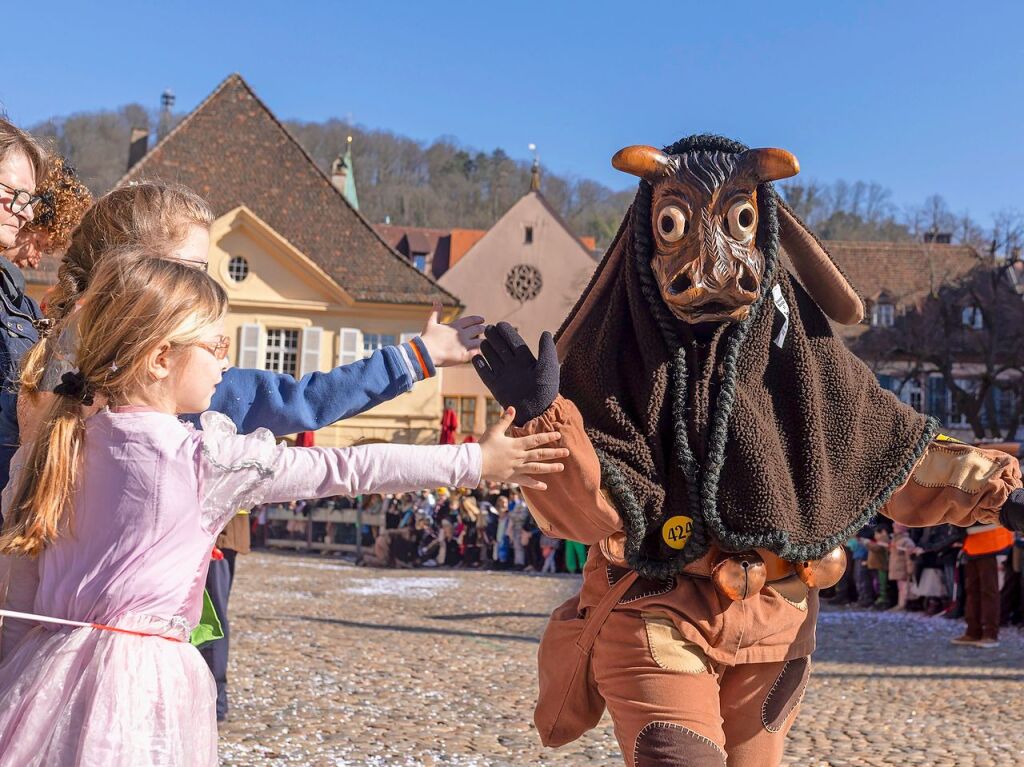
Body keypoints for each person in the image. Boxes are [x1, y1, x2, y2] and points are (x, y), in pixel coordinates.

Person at [0, 255, 567, 766]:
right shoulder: (201, 457)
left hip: (41, 673)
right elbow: (350, 470)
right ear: (159, 359)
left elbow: (19, 591)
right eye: (216, 346)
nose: (228, 360)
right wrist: (475, 462)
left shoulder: (55, 445)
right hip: (142, 686)